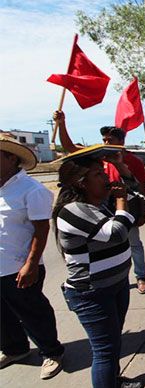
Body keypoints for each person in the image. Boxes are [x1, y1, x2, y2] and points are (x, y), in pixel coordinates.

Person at [53, 152, 143, 388]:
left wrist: (120, 166)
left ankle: (113, 381)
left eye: (104, 172)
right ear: (81, 182)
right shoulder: (73, 210)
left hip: (115, 285)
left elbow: (132, 189)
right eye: (98, 174)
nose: (105, 177)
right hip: (93, 293)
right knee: (105, 350)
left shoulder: (98, 204)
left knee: (113, 344)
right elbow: (116, 233)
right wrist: (121, 202)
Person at [55, 111, 145, 294]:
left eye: (109, 140)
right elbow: (69, 146)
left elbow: (138, 188)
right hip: (105, 216)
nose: (105, 144)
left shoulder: (132, 161)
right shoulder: (96, 161)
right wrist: (61, 124)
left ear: (120, 142)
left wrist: (141, 212)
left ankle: (140, 276)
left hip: (125, 212)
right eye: (104, 140)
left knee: (133, 245)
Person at [0, 135, 64, 379]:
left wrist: (31, 264)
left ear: (10, 157)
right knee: (3, 316)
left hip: (20, 267)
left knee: (33, 313)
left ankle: (52, 352)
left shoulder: (32, 190)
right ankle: (14, 349)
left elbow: (41, 229)